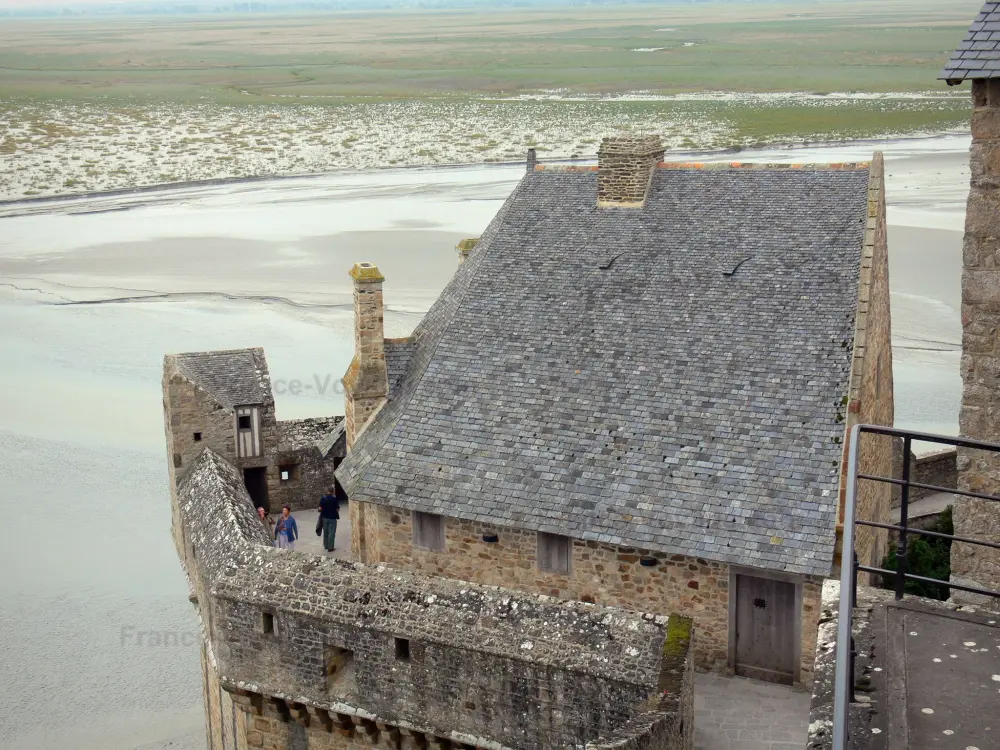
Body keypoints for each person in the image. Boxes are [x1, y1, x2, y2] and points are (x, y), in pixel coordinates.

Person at [316, 481, 342, 552]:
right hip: (332, 518)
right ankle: (330, 547)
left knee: (326, 532)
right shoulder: (334, 499)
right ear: (333, 491)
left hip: (324, 518)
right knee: (332, 533)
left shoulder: (323, 498)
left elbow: (320, 509)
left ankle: (326, 545)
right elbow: (337, 509)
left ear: (327, 491)